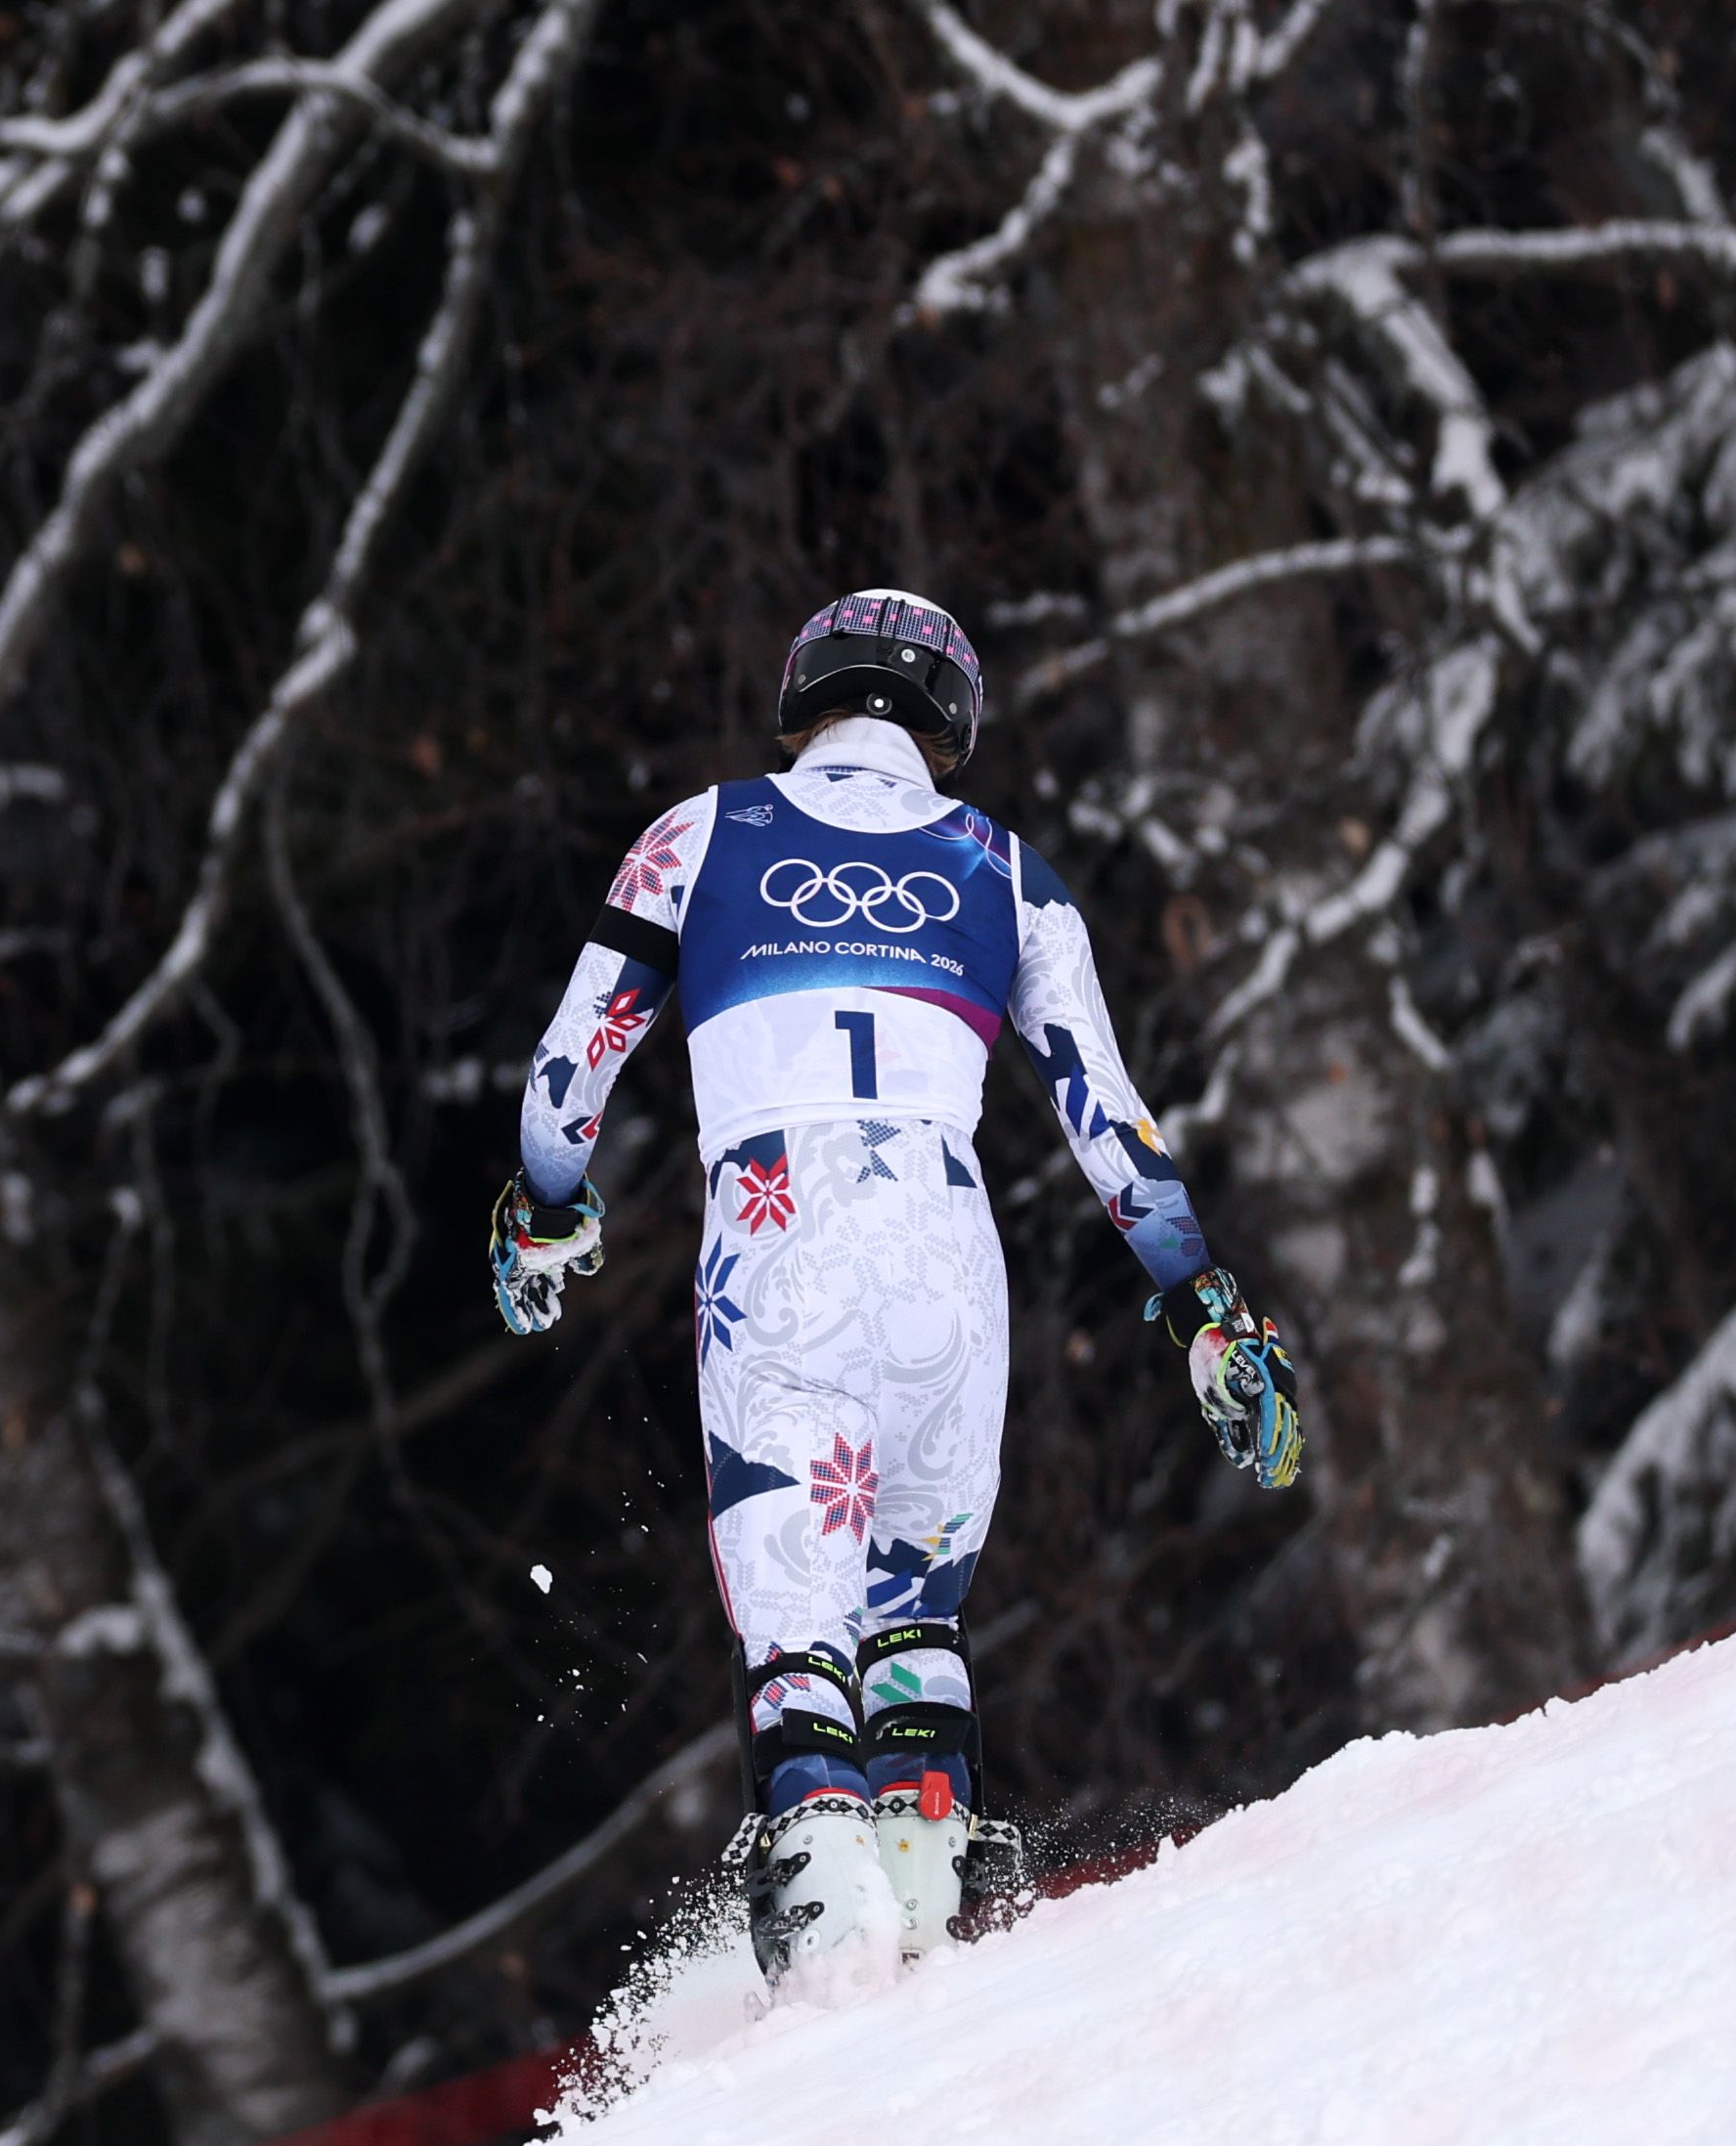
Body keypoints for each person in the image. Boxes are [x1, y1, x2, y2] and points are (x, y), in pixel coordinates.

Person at [486, 590, 1301, 2002]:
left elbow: (570, 1077)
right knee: (917, 1609)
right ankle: (928, 1910)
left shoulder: (702, 834)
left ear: (807, 696)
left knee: (799, 1621)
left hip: (779, 1231)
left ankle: (820, 1929)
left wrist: (545, 1214)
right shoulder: (1009, 871)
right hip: (945, 1239)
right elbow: (1115, 1125)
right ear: (951, 723)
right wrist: (1207, 1309)